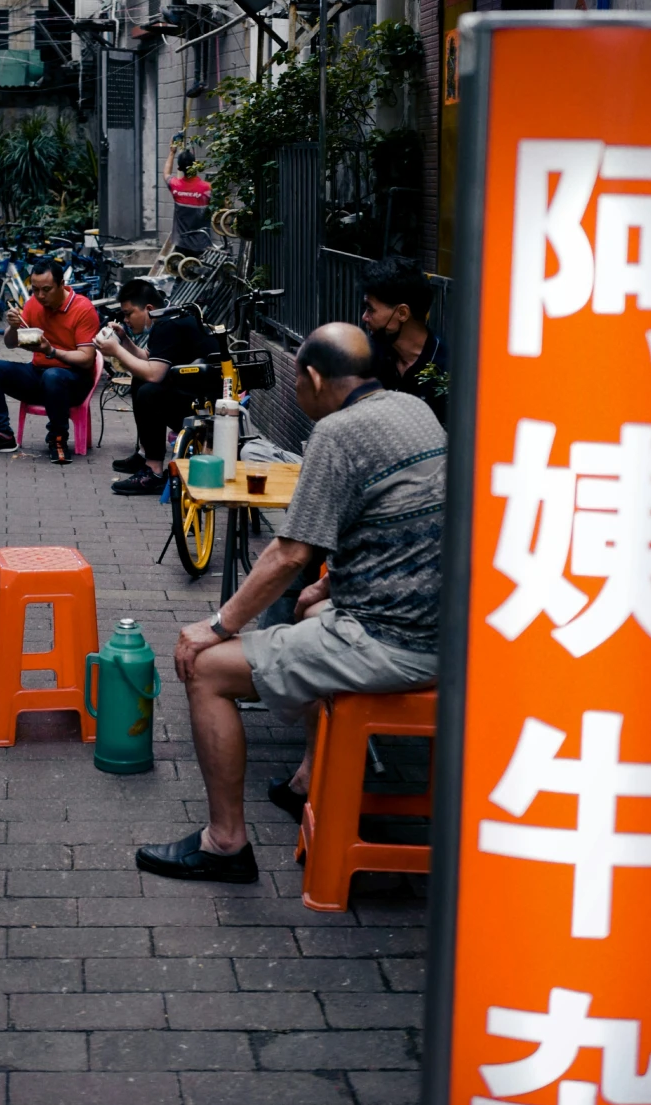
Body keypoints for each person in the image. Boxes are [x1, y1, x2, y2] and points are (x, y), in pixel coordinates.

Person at [135, 322, 444, 883]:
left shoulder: (339, 431)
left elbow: (287, 554)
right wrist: (329, 586)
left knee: (204, 668)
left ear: (314, 377)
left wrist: (218, 624)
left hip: (393, 642)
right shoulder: (413, 410)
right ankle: (307, 779)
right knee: (306, 608)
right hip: (440, 629)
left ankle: (224, 844)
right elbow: (405, 516)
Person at [95, 280, 222, 495]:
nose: (126, 320)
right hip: (197, 395)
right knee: (140, 380)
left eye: (128, 314)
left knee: (149, 391)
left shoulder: (168, 325)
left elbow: (154, 374)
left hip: (207, 411)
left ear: (149, 309)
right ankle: (145, 455)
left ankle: (153, 472)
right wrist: (124, 341)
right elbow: (151, 359)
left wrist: (116, 350)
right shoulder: (169, 318)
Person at [0, 255, 101, 464]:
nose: (40, 295)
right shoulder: (33, 304)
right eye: (35, 289)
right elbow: (10, 343)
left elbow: (86, 359)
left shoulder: (83, 309)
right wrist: (12, 326)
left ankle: (57, 439)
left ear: (61, 285)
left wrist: (51, 351)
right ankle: (2, 434)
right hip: (39, 374)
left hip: (74, 381)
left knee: (53, 376)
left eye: (46, 290)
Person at [360, 255, 448, 424]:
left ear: (402, 313)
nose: (365, 317)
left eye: (371, 309)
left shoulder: (445, 370)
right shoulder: (369, 355)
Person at [165, 140, 214, 257]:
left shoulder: (175, 186)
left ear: (179, 168)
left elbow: (166, 173)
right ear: (195, 165)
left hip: (182, 245)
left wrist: (172, 152)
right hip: (203, 245)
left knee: (182, 273)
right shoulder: (208, 188)